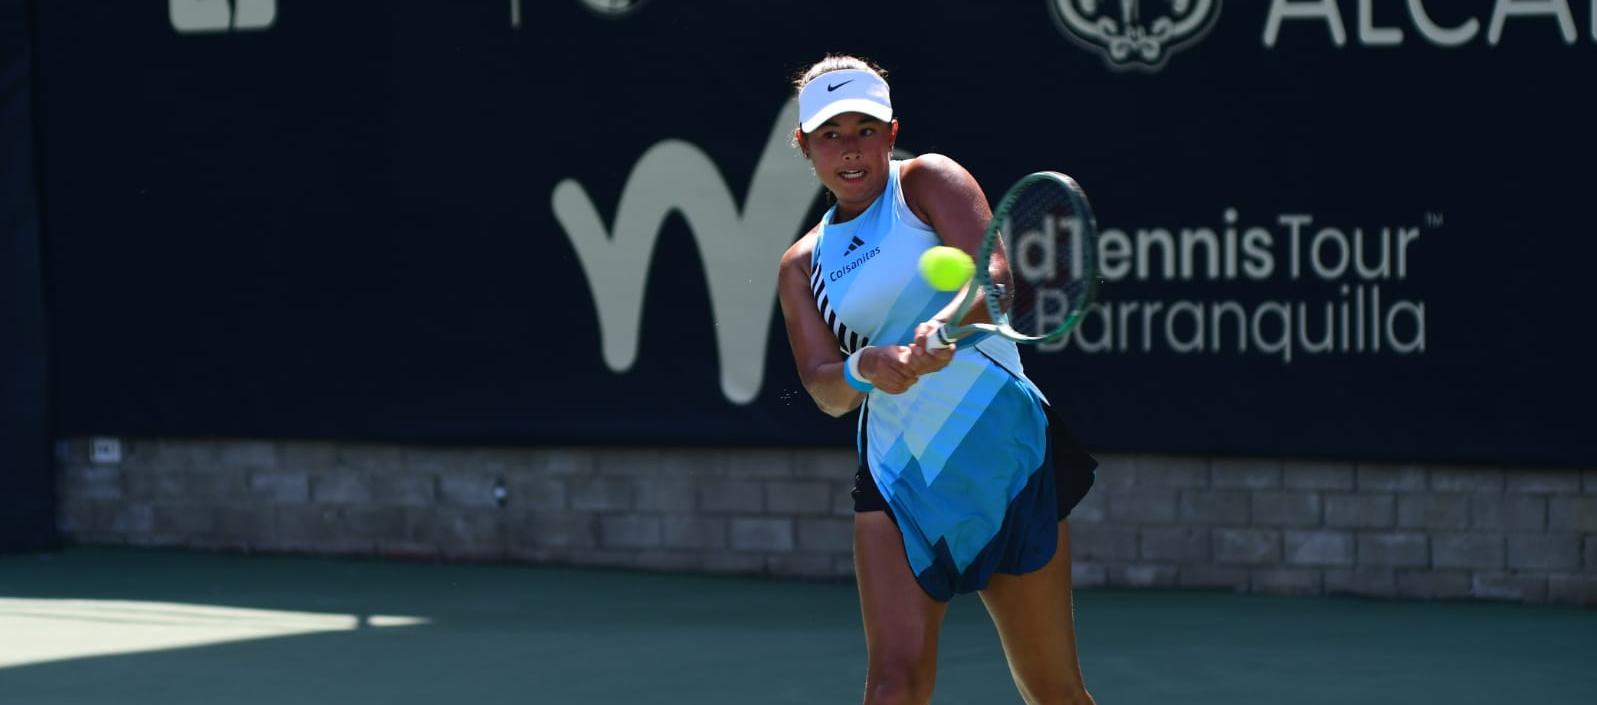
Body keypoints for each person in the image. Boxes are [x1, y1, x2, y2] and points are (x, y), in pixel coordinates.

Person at [775, 54, 1100, 705]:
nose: (849, 149)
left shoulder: (926, 180)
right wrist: (865, 368)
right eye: (830, 134)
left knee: (1053, 691)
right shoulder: (801, 264)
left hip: (1004, 455)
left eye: (863, 129)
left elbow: (997, 279)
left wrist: (942, 328)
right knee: (893, 687)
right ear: (804, 145)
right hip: (899, 473)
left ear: (890, 134)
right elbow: (822, 386)